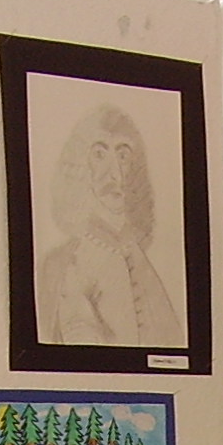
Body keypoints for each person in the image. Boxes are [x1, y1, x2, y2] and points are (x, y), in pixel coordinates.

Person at [35, 103, 181, 348]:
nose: (115, 174)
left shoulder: (139, 258)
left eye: (122, 156)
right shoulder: (67, 263)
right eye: (99, 155)